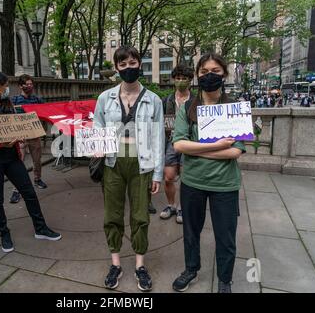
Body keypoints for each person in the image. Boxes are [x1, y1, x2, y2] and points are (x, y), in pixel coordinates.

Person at [171, 53, 246, 293]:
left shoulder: (234, 108)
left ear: (224, 73)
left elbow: (235, 152)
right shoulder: (188, 108)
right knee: (191, 232)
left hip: (225, 185)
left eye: (215, 70)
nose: (209, 75)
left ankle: (225, 279)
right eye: (204, 71)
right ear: (197, 75)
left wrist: (196, 151)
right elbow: (179, 145)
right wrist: (216, 145)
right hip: (193, 182)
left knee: (226, 236)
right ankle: (191, 269)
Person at [93, 46, 164, 292]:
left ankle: (140, 265)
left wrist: (157, 173)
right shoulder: (105, 98)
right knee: (112, 214)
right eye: (122, 65)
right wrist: (96, 146)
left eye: (132, 63)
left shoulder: (153, 100)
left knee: (140, 215)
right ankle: (115, 264)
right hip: (113, 161)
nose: (128, 68)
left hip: (141, 162)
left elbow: (158, 139)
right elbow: (97, 127)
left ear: (139, 64)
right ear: (117, 68)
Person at [0, 71, 61, 254]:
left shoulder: (7, 104)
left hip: (11, 157)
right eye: (6, 85)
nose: (8, 88)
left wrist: (22, 134)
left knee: (29, 192)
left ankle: (40, 228)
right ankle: (4, 233)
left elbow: (15, 125)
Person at [159, 64, 195, 224]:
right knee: (168, 177)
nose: (181, 81)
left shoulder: (196, 101)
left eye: (184, 78)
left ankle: (182, 207)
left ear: (190, 80)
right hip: (170, 143)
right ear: (174, 80)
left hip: (189, 143)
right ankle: (170, 205)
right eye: (178, 78)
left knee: (186, 178)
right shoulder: (165, 100)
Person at [9, 74, 48, 204]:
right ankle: (17, 189)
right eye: (27, 84)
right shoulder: (14, 100)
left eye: (31, 84)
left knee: (37, 160)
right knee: (18, 163)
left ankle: (37, 179)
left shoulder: (37, 100)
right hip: (20, 137)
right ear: (21, 86)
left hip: (34, 135)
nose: (29, 86)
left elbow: (47, 111)